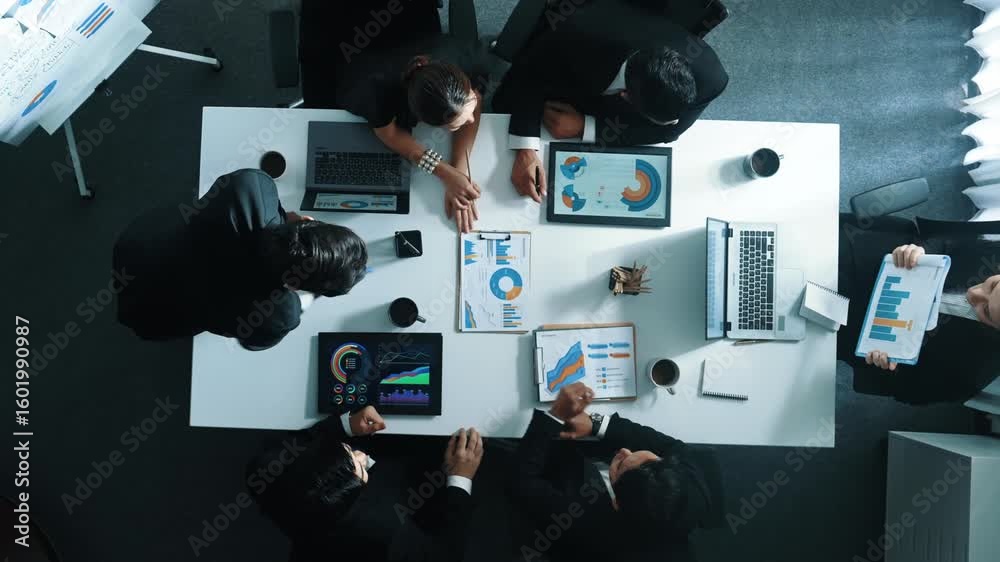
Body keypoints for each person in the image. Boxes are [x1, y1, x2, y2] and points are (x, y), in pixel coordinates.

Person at [492, 0, 728, 202]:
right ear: (624, 96)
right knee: (502, 107)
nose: (674, 123)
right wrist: (525, 148)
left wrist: (585, 127)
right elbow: (529, 74)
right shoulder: (579, 31)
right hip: (567, 74)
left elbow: (668, 133)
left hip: (593, 104)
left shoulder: (711, 79)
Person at [113, 169, 368, 351]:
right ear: (300, 287)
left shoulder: (251, 188)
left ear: (308, 222)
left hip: (139, 243)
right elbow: (251, 343)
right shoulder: (276, 317)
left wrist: (283, 222)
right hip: (151, 312)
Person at [302, 0, 495, 233]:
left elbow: (475, 101)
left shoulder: (466, 56)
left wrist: (459, 171)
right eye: (455, 125)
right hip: (338, 29)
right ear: (420, 119)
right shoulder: (369, 91)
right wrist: (443, 172)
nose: (473, 120)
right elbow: (389, 132)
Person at [509, 382, 723, 561]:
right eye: (648, 457)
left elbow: (522, 482)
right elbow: (676, 448)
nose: (624, 451)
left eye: (620, 464)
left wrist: (555, 415)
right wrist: (597, 424)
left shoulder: (583, 526)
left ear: (616, 503)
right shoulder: (695, 488)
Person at [247, 406, 484, 562]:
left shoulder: (267, 474)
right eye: (357, 466)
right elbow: (446, 553)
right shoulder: (385, 535)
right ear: (353, 496)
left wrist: (345, 425)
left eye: (348, 450)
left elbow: (297, 444)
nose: (360, 456)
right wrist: (460, 476)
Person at [838, 213, 1000, 404]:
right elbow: (947, 240)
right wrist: (922, 251)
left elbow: (908, 391)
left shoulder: (972, 374)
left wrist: (888, 366)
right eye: (991, 285)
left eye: (986, 311)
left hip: (850, 327)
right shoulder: (995, 255)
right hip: (866, 255)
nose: (973, 294)